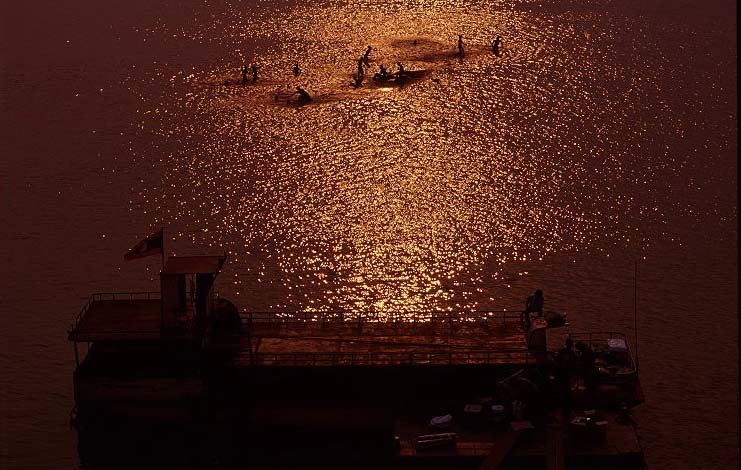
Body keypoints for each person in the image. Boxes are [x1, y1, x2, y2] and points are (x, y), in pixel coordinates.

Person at [555, 338, 575, 418]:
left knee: (563, 390)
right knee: (566, 390)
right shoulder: (571, 353)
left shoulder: (562, 352)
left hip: (562, 375)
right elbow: (573, 364)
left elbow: (557, 362)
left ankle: (563, 405)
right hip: (566, 375)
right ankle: (566, 406)